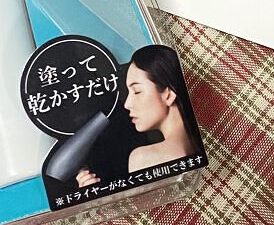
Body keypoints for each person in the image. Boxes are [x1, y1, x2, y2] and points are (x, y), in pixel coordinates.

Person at [75, 45, 198, 187]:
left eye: (137, 91)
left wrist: (94, 193)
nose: (127, 104)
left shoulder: (143, 158)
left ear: (168, 94)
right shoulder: (198, 144)